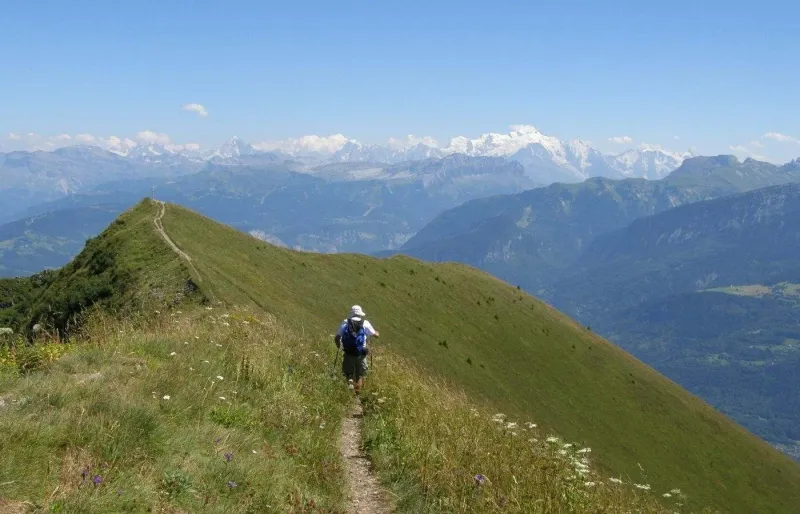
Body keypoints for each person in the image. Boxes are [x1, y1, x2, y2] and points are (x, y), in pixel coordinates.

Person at [334, 305, 379, 395]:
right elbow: (376, 335)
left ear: (351, 313)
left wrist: (339, 346)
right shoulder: (365, 323)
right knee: (360, 375)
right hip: (361, 353)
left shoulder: (346, 322)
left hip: (348, 352)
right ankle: (356, 396)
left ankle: (350, 384)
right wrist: (376, 332)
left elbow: (337, 337)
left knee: (348, 373)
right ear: (360, 314)